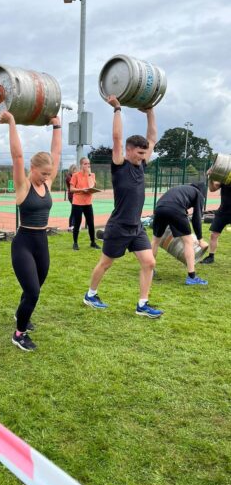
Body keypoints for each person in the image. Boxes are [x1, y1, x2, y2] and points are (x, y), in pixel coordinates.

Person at [83, 95, 164, 318]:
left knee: (149, 262)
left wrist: (150, 112)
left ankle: (142, 304)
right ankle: (90, 294)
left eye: (143, 153)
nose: (143, 156)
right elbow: (117, 137)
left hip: (136, 227)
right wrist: (117, 109)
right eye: (139, 153)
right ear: (129, 150)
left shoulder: (141, 164)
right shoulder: (119, 165)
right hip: (118, 227)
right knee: (105, 264)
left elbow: (152, 138)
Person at [0, 110, 61, 351]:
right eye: (43, 173)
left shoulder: (46, 182)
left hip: (41, 242)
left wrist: (57, 126)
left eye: (49, 173)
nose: (47, 177)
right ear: (33, 168)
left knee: (35, 288)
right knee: (32, 291)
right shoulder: (24, 186)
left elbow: (55, 153)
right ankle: (19, 334)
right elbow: (17, 156)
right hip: (24, 242)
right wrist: (12, 122)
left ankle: (20, 314)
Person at [151, 183, 209, 284]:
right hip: (175, 208)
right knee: (188, 241)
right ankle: (192, 277)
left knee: (155, 240)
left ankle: (149, 270)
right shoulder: (199, 194)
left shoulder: (182, 188)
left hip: (159, 207)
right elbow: (197, 218)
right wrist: (200, 239)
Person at [200, 169, 231, 264]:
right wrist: (211, 177)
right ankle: (211, 257)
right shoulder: (226, 178)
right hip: (223, 211)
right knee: (214, 235)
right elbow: (212, 189)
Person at [70, 157, 100, 250]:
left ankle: (93, 242)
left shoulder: (92, 175)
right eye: (85, 164)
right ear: (81, 165)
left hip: (88, 203)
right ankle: (75, 243)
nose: (87, 165)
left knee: (91, 223)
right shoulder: (75, 175)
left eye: (88, 164)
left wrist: (90, 175)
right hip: (77, 203)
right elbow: (71, 189)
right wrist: (82, 190)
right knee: (78, 223)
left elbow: (93, 186)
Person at [65, 164, 78, 231]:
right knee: (75, 211)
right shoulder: (69, 177)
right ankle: (72, 226)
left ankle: (71, 226)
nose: (76, 172)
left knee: (73, 211)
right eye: (74, 170)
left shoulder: (72, 177)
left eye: (76, 170)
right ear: (71, 170)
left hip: (74, 196)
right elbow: (75, 185)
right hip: (72, 196)